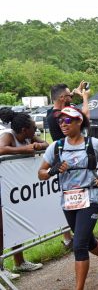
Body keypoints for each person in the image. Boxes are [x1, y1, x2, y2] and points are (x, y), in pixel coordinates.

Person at [38, 107, 98, 289]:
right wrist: (52, 170)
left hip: (90, 198)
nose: (62, 124)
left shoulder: (94, 144)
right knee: (86, 240)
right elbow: (40, 174)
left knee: (79, 245)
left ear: (78, 121)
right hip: (68, 200)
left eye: (67, 121)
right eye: (60, 121)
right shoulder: (56, 146)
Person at [0, 108, 46, 280]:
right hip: (3, 185)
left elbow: (46, 144)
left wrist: (38, 145)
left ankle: (19, 261)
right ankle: (1, 267)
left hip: (15, 187)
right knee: (2, 228)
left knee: (15, 223)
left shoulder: (28, 136)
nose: (36, 130)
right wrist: (25, 149)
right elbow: (1, 149)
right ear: (24, 129)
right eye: (34, 128)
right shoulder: (8, 135)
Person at [47, 82, 90, 250]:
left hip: (68, 160)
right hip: (70, 163)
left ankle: (78, 236)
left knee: (74, 203)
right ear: (62, 98)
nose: (72, 99)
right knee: (76, 200)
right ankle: (77, 237)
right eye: (70, 97)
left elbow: (65, 101)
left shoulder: (53, 111)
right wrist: (85, 97)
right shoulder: (59, 115)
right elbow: (84, 117)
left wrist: (73, 92)